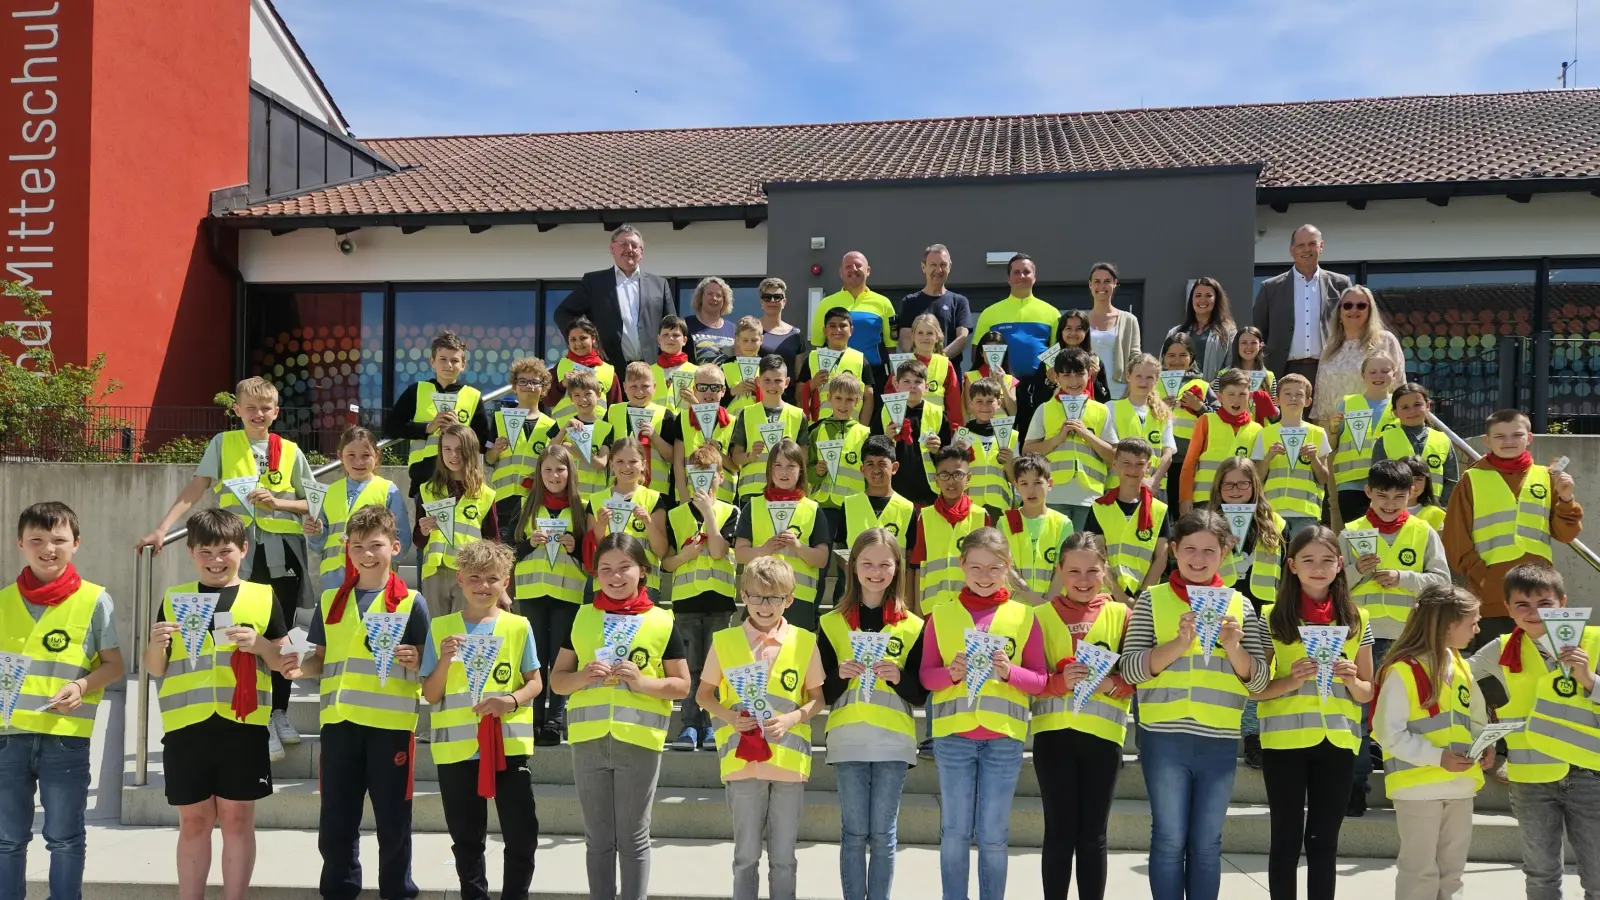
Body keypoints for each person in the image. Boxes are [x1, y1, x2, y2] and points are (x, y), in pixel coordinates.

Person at [135, 375, 312, 761]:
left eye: (266, 408)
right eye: (250, 408)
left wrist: (279, 504)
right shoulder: (223, 443)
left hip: (282, 553)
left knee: (277, 634)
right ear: (237, 410)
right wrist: (163, 528)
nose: (258, 414)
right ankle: (245, 711)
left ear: (276, 412)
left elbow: (313, 502)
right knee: (233, 630)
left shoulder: (293, 450)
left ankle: (277, 711)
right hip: (235, 553)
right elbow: (196, 488)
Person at [1119, 510, 1271, 900]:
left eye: (1209, 550)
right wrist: (1178, 644)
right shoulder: (1151, 601)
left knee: (1207, 844)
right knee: (1169, 839)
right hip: (1163, 738)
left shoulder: (1242, 606)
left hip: (1218, 740)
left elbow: (1259, 681)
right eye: (1189, 549)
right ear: (1173, 550)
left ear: (1224, 551)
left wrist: (1234, 646)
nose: (1199, 559)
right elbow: (1130, 670)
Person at [143, 508, 289, 900]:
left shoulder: (262, 595)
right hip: (186, 728)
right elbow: (156, 668)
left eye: (224, 550)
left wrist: (258, 644)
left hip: (243, 727)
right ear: (190, 553)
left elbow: (283, 661)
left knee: (238, 820)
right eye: (205, 552)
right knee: (193, 822)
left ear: (243, 550)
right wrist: (156, 645)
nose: (215, 560)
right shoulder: (175, 598)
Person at [295, 505, 428, 900]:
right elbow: (318, 659)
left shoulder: (412, 601)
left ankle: (398, 892)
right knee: (336, 821)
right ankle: (339, 891)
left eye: (376, 545)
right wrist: (295, 666)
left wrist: (416, 660)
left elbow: (427, 663)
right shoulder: (332, 599)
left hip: (391, 728)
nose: (367, 554)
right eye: (358, 547)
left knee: (393, 821)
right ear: (346, 550)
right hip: (339, 725)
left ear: (396, 547)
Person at [550, 533, 690, 900]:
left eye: (624, 567)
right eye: (605, 569)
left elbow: (682, 685)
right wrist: (582, 676)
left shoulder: (662, 620)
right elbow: (558, 681)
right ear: (595, 574)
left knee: (633, 837)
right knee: (597, 839)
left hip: (639, 742)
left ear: (642, 571)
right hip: (589, 741)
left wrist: (644, 682)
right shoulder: (582, 616)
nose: (615, 577)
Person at [1, 502, 125, 900]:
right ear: (20, 543)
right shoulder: (2, 602)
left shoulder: (95, 601)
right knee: (6, 839)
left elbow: (114, 665)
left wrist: (83, 686)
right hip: (7, 739)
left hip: (65, 740)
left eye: (58, 539)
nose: (48, 548)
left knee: (65, 838)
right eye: (37, 539)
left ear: (76, 543)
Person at [920, 528, 1047, 900]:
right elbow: (927, 676)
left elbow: (1039, 680)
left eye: (994, 568)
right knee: (955, 832)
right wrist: (951, 674)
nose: (984, 575)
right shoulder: (940, 616)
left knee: (993, 835)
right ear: (961, 566)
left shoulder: (1024, 617)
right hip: (953, 736)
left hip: (1003, 738)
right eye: (975, 567)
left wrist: (1010, 672)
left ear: (1007, 567)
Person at [1252, 526, 1375, 900]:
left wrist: (1353, 680)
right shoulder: (1272, 617)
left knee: (1324, 844)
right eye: (1307, 560)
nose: (1317, 568)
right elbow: (1256, 688)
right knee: (1286, 842)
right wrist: (1290, 680)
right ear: (1291, 565)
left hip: (1337, 742)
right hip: (1284, 743)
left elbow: (1369, 690)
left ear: (1340, 564)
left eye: (1326, 560)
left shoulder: (1357, 618)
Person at [1468, 563, 1600, 900]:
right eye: (1522, 605)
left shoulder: (1595, 642)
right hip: (1530, 778)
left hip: (1590, 776)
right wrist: (1485, 737)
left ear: (1563, 603)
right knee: (1541, 876)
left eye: (1544, 604)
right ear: (1509, 609)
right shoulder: (1496, 651)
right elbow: (1465, 689)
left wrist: (1589, 680)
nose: (1534, 613)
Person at [698, 556, 826, 900]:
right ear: (743, 595)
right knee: (746, 857)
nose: (764, 605)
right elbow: (704, 695)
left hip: (788, 764)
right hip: (742, 764)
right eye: (755, 596)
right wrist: (729, 717)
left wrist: (791, 719)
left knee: (784, 859)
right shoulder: (725, 641)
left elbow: (817, 699)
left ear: (790, 599)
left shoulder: (804, 641)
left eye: (773, 597)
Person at [421, 540, 541, 900]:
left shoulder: (519, 627)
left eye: (492, 578)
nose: (483, 586)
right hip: (458, 751)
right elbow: (430, 693)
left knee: (522, 834)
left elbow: (535, 681)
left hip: (508, 747)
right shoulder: (441, 627)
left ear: (506, 581)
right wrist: (444, 659)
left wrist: (511, 699)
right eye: (474, 577)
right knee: (467, 839)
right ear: (459, 579)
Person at [819, 529, 927, 900]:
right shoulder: (831, 623)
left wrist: (899, 678)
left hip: (893, 742)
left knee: (883, 834)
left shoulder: (912, 625)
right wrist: (839, 676)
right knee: (853, 833)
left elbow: (921, 694)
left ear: (897, 568)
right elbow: (820, 693)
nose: (876, 571)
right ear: (853, 567)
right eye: (867, 563)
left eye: (885, 563)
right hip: (848, 739)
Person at [1030, 531, 1134, 900]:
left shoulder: (1123, 615)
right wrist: (1059, 681)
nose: (1084, 580)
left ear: (1105, 570)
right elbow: (1028, 679)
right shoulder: (1038, 616)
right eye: (1074, 571)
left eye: (1092, 571)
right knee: (1058, 832)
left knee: (1093, 835)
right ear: (1059, 571)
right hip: (1053, 736)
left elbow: (1138, 678)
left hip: (1103, 738)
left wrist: (1111, 684)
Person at [1346, 459, 1451, 816]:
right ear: (1368, 494)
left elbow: (1442, 582)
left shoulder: (1424, 532)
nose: (1390, 504)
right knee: (1359, 714)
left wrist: (1404, 577)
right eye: (1382, 496)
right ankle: (1355, 787)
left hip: (1408, 639)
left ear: (1412, 493)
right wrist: (1354, 571)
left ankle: (1403, 786)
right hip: (1362, 638)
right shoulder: (1351, 531)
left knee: (1404, 716)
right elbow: (1328, 584)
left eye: (1398, 497)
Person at [1372, 584, 1491, 900]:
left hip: (1460, 785)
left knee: (1452, 875)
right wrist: (1438, 757)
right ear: (1449, 625)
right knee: (1420, 873)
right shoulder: (1403, 671)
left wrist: (1486, 744)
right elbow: (1387, 733)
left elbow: (1476, 720)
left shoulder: (1462, 666)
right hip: (1417, 788)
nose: (1477, 629)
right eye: (1472, 622)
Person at [1443, 409, 1584, 651]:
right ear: (1487, 441)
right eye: (1500, 436)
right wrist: (1482, 576)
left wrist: (1567, 497)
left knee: (1546, 665)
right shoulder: (1471, 479)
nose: (1508, 441)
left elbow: (1566, 534)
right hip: (1492, 594)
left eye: (1516, 435)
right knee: (1495, 667)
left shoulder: (1547, 476)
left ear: (1529, 438)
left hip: (1541, 594)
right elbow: (1455, 537)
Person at [663, 445, 742, 752]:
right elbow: (666, 563)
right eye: (696, 475)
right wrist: (685, 555)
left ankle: (712, 725)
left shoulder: (731, 512)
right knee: (690, 666)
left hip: (720, 601)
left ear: (720, 477)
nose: (703, 482)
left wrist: (709, 511)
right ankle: (688, 726)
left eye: (709, 475)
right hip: (685, 602)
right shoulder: (675, 514)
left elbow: (720, 551)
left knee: (714, 667)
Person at [511, 444, 590, 746]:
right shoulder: (525, 505)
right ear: (539, 473)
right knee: (535, 657)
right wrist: (529, 544)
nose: (554, 475)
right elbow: (507, 549)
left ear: (570, 472)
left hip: (567, 594)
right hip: (531, 593)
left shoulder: (581, 507)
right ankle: (533, 720)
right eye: (548, 470)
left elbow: (591, 555)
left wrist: (576, 546)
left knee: (560, 659)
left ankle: (555, 721)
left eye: (560, 469)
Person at [734, 439, 834, 632]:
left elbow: (822, 559)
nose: (783, 472)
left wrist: (798, 546)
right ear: (770, 469)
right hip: (759, 598)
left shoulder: (812, 509)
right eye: (778, 465)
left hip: (798, 600)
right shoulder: (753, 506)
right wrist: (764, 549)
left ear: (801, 471)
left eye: (791, 466)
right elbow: (739, 554)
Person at [305, 426, 412, 594]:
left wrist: (386, 566)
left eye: (365, 455)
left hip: (374, 577)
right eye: (351, 456)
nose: (359, 462)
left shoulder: (388, 490)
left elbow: (402, 536)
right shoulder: (328, 492)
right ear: (340, 456)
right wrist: (314, 533)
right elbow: (319, 544)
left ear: (376, 456)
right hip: (334, 578)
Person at [383, 332, 492, 495]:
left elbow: (482, 442)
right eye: (443, 359)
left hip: (461, 477)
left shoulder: (473, 396)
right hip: (424, 475)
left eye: (455, 360)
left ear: (463, 365)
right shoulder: (416, 391)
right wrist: (428, 427)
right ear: (432, 362)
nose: (449, 364)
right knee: (425, 522)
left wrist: (461, 432)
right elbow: (391, 427)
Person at [554, 224, 676, 365]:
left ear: (641, 252)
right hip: (609, 367)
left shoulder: (659, 284)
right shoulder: (594, 282)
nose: (629, 249)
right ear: (612, 248)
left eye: (634, 245)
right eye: (623, 244)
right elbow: (563, 313)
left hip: (651, 369)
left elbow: (672, 324)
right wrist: (587, 340)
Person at [1022, 348, 1116, 530]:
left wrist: (1086, 434)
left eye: (1079, 374)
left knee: (1083, 550)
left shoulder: (1101, 410)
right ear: (1056, 376)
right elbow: (1028, 452)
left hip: (1090, 495)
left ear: (1089, 374)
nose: (1073, 381)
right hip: (1053, 494)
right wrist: (1058, 438)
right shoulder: (1044, 409)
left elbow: (1113, 456)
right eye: (1066, 375)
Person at [1252, 224, 1354, 383]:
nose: (1306, 249)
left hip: (1329, 370)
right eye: (1301, 245)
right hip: (1282, 370)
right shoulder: (1270, 288)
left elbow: (1352, 327)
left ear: (1321, 246)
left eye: (1312, 244)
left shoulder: (1340, 284)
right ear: (1292, 250)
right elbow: (1258, 332)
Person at [417, 424, 500, 617]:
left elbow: (493, 541)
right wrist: (423, 531)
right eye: (447, 449)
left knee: (462, 634)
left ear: (471, 452)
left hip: (470, 574)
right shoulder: (427, 490)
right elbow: (418, 540)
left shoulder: (485, 494)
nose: (453, 455)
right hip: (434, 573)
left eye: (460, 450)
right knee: (436, 633)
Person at [973, 253, 1059, 426]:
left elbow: (1055, 353)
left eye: (1027, 272)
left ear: (1034, 277)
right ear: (1008, 278)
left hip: (1038, 389)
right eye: (1016, 272)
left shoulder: (1052, 313)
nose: (1022, 276)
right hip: (1000, 388)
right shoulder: (989, 313)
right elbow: (976, 353)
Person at [906, 446, 990, 614]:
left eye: (958, 474)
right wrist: (916, 610)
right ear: (936, 479)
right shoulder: (925, 517)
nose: (951, 481)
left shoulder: (981, 516)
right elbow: (916, 566)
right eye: (944, 475)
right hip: (933, 607)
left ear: (968, 478)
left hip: (971, 606)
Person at [1088, 438, 1172, 604]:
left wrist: (1142, 595)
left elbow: (1161, 558)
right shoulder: (1099, 507)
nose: (1132, 469)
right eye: (1126, 463)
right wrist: (1121, 597)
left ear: (1148, 467)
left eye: (1139, 464)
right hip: (1106, 595)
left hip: (1145, 597)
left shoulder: (1159, 509)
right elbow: (1095, 556)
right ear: (1115, 464)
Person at [1311, 286, 1407, 426]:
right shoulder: (1330, 347)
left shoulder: (1385, 341)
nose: (1354, 310)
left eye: (1361, 306)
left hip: (1375, 425)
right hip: (1333, 429)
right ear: (1339, 312)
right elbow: (1321, 398)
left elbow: (1400, 387)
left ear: (1370, 311)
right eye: (1348, 305)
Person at [589, 437, 669, 599]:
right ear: (611, 464)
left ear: (643, 465)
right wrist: (601, 526)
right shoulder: (596, 499)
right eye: (620, 461)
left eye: (633, 461)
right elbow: (591, 550)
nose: (626, 467)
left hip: (645, 584)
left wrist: (648, 523)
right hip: (607, 584)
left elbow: (661, 551)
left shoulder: (653, 499)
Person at [485, 358, 560, 527]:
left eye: (535, 382)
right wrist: (495, 450)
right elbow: (488, 460)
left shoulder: (551, 426)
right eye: (523, 381)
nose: (529, 386)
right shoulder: (500, 419)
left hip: (535, 500)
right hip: (503, 499)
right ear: (514, 387)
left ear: (544, 389)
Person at [1327, 352, 1401, 523]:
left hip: (1389, 483)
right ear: (1363, 376)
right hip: (1351, 482)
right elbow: (1331, 446)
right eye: (1373, 372)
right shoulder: (1348, 403)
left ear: (1394, 374)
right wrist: (1332, 428)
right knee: (1357, 539)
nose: (1379, 376)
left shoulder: (1399, 405)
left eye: (1385, 371)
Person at [1252, 374, 1328, 541]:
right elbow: (1256, 477)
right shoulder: (1265, 434)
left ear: (1308, 401)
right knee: (1275, 560)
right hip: (1273, 511)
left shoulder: (1318, 433)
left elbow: (1324, 478)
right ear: (1277, 400)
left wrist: (1314, 458)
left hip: (1307, 511)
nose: (1293, 398)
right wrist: (1268, 457)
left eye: (1299, 394)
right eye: (1287, 393)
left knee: (1301, 560)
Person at [808, 251, 896, 392]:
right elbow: (818, 345)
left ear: (868, 271)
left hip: (874, 376)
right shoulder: (826, 303)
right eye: (848, 266)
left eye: (858, 265)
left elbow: (891, 347)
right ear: (841, 272)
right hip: (835, 374)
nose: (853, 269)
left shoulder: (884, 303)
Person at [869, 358, 951, 508]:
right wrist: (886, 438)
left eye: (918, 382)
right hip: (893, 488)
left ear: (926, 386)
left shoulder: (938, 414)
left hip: (929, 491)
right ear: (896, 385)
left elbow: (948, 455)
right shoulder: (884, 412)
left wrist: (938, 450)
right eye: (906, 381)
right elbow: (870, 450)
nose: (912, 386)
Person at [1179, 369, 1263, 514]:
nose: (1236, 400)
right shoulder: (1206, 421)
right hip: (1206, 500)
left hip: (1241, 502)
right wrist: (1185, 498)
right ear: (1220, 396)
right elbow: (1189, 464)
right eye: (1231, 394)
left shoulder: (1258, 430)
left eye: (1242, 394)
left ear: (1250, 397)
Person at [807, 372, 873, 551]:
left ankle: (843, 581)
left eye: (849, 399)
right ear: (829, 398)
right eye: (838, 398)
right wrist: (818, 472)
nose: (843, 404)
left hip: (853, 505)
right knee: (823, 554)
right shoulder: (816, 431)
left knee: (851, 553)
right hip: (823, 505)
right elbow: (808, 471)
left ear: (857, 401)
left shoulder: (865, 434)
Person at [730, 355, 807, 501]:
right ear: (758, 381)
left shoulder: (798, 415)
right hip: (752, 492)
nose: (772, 386)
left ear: (787, 382)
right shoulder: (746, 414)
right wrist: (750, 455)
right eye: (767, 380)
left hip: (787, 491)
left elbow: (804, 457)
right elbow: (735, 458)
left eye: (778, 381)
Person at [999, 454, 1072, 605]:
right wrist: (1032, 598)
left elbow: (1063, 569)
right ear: (1016, 486)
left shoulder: (1062, 523)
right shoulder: (1006, 521)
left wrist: (1047, 603)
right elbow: (1005, 566)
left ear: (1049, 484)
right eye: (1024, 484)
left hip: (1052, 604)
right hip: (1013, 604)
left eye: (1037, 483)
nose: (1031, 491)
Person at [1154, 335, 1217, 507]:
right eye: (1171, 355)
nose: (1177, 360)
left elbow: (1219, 419)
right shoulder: (1152, 383)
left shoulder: (1203, 385)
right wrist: (1157, 407)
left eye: (1183, 355)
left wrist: (1200, 408)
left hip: (1190, 460)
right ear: (1164, 358)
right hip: (1159, 458)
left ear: (1192, 358)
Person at [1372, 382, 1458, 506]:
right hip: (1394, 511)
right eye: (1405, 407)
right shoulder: (1384, 440)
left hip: (1433, 510)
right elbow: (1377, 481)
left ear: (1428, 405)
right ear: (1395, 412)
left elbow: (1452, 480)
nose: (1412, 411)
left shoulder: (1442, 439)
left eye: (1417, 405)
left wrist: (1441, 507)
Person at [605, 362, 675, 499]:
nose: (639, 392)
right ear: (624, 387)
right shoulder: (613, 412)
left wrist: (655, 437)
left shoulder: (665, 415)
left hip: (656, 493)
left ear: (654, 387)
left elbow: (673, 456)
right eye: (633, 386)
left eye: (645, 386)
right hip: (619, 490)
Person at [674, 364, 741, 506]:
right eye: (702, 387)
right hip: (690, 496)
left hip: (723, 500)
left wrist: (718, 453)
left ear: (723, 391)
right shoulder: (683, 418)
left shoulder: (734, 422)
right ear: (694, 390)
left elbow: (736, 467)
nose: (708, 392)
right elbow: (678, 462)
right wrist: (684, 497)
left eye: (715, 387)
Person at [1109, 353, 1177, 491]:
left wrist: (1153, 480)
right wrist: (1141, 480)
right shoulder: (1111, 408)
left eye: (1149, 377)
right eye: (1138, 376)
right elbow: (1110, 451)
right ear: (1128, 376)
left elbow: (1168, 454)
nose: (1143, 382)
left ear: (1156, 380)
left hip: (1154, 488)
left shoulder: (1163, 413)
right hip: (1119, 487)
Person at [897, 244, 973, 366]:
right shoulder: (909, 302)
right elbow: (905, 339)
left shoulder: (959, 301)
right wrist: (922, 361)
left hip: (950, 373)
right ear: (923, 267)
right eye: (933, 265)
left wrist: (938, 360)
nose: (938, 270)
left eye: (943, 265)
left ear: (950, 267)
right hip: (918, 374)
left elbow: (962, 338)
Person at [798, 307, 871, 423]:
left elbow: (869, 397)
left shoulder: (860, 359)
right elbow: (798, 395)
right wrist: (812, 384)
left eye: (843, 326)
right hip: (818, 427)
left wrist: (864, 428)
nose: (838, 330)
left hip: (851, 427)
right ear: (825, 331)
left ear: (851, 330)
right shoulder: (813, 357)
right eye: (832, 326)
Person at [960, 377, 1019, 521]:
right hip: (969, 506)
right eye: (979, 401)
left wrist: (1009, 463)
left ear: (999, 403)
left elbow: (1015, 479)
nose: (984, 406)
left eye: (990, 401)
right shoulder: (961, 435)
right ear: (971, 404)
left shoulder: (1011, 436)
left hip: (999, 507)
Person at [843, 437, 917, 551]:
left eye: (882, 464)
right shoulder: (849, 505)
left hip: (894, 569)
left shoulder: (907, 508)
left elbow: (911, 551)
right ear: (862, 469)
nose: (876, 470)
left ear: (894, 467)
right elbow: (840, 546)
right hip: (857, 569)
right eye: (870, 464)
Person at [1084, 263, 1143, 402]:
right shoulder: (1082, 320)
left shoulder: (1129, 320)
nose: (1101, 286)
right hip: (1088, 393)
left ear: (1115, 283)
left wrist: (1129, 390)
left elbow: (1136, 358)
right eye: (1097, 282)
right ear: (1090, 285)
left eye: (1107, 281)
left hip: (1119, 394)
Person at [1028, 311, 1110, 409]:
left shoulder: (1094, 361)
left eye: (1079, 329)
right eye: (1068, 328)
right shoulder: (1048, 363)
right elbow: (1037, 402)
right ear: (1061, 331)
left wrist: (1094, 380)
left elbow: (1105, 401)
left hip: (1087, 419)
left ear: (1086, 331)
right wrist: (1050, 383)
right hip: (1056, 419)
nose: (1073, 333)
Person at [548, 317, 622, 425]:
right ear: (568, 342)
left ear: (593, 339)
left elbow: (616, 409)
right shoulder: (560, 366)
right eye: (573, 339)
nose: (578, 344)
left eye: (583, 338)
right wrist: (562, 385)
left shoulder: (608, 371)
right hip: (563, 433)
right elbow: (547, 401)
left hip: (597, 435)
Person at [558, 370, 616, 502]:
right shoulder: (563, 424)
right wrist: (563, 432)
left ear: (599, 395)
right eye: (576, 395)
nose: (583, 399)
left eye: (588, 394)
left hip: (595, 498)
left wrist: (573, 449)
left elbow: (601, 464)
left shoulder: (606, 427)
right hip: (568, 497)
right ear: (571, 399)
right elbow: (549, 452)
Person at [1167, 277, 1237, 382]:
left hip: (1213, 395)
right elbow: (1163, 365)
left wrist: (1207, 391)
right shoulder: (1175, 332)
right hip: (1179, 394)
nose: (1202, 300)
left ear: (1216, 299)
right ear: (1191, 300)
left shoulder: (1228, 332)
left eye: (1208, 295)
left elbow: (1231, 367)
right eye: (1198, 295)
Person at [905, 313, 964, 423]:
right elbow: (890, 397)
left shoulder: (945, 364)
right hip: (907, 426)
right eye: (920, 333)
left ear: (937, 337)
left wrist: (955, 429)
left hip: (937, 427)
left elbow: (954, 403)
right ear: (912, 336)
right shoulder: (901, 363)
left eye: (930, 333)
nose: (925, 337)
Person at [756, 279, 806, 400]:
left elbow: (799, 377)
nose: (772, 301)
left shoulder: (795, 335)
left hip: (787, 402)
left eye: (777, 297)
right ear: (761, 301)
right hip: (756, 400)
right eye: (767, 297)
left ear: (784, 302)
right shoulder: (751, 331)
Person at [964, 330, 1020, 419]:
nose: (994, 354)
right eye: (989, 350)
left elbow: (1013, 411)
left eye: (999, 350)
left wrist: (1003, 384)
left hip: (1002, 429)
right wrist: (992, 388)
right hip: (978, 429)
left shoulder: (1009, 379)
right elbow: (969, 408)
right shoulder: (971, 377)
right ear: (982, 353)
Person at [721, 317, 769, 421]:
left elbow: (780, 395)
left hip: (760, 421)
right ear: (737, 340)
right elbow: (716, 398)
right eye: (745, 340)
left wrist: (760, 390)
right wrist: (733, 391)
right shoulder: (726, 366)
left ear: (761, 340)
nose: (749, 345)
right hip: (732, 422)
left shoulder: (768, 366)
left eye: (754, 340)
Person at [685, 276, 739, 364]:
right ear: (700, 296)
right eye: (709, 294)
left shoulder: (733, 329)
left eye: (718, 295)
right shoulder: (686, 325)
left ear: (724, 300)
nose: (714, 298)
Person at [651, 315, 698, 412]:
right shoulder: (648, 371)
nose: (670, 338)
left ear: (684, 341)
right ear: (659, 340)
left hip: (682, 425)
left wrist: (694, 401)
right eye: (665, 335)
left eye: (676, 335)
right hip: (655, 425)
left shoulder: (697, 371)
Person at [1404, 457, 1448, 533]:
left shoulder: (1435, 515)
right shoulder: (1381, 510)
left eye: (1418, 479)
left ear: (1426, 483)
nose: (1412, 485)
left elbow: (1441, 544)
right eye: (1407, 478)